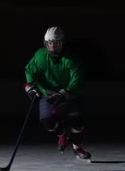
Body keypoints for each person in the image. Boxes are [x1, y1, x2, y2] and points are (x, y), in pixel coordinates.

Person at [24, 26, 92, 161]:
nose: (52, 46)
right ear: (45, 43)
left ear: (62, 42)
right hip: (48, 93)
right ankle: (62, 134)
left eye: (56, 43)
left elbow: (77, 80)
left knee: (77, 121)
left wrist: (65, 93)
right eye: (49, 43)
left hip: (69, 94)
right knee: (47, 122)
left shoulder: (71, 59)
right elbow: (30, 70)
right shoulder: (40, 56)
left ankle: (77, 147)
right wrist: (30, 87)